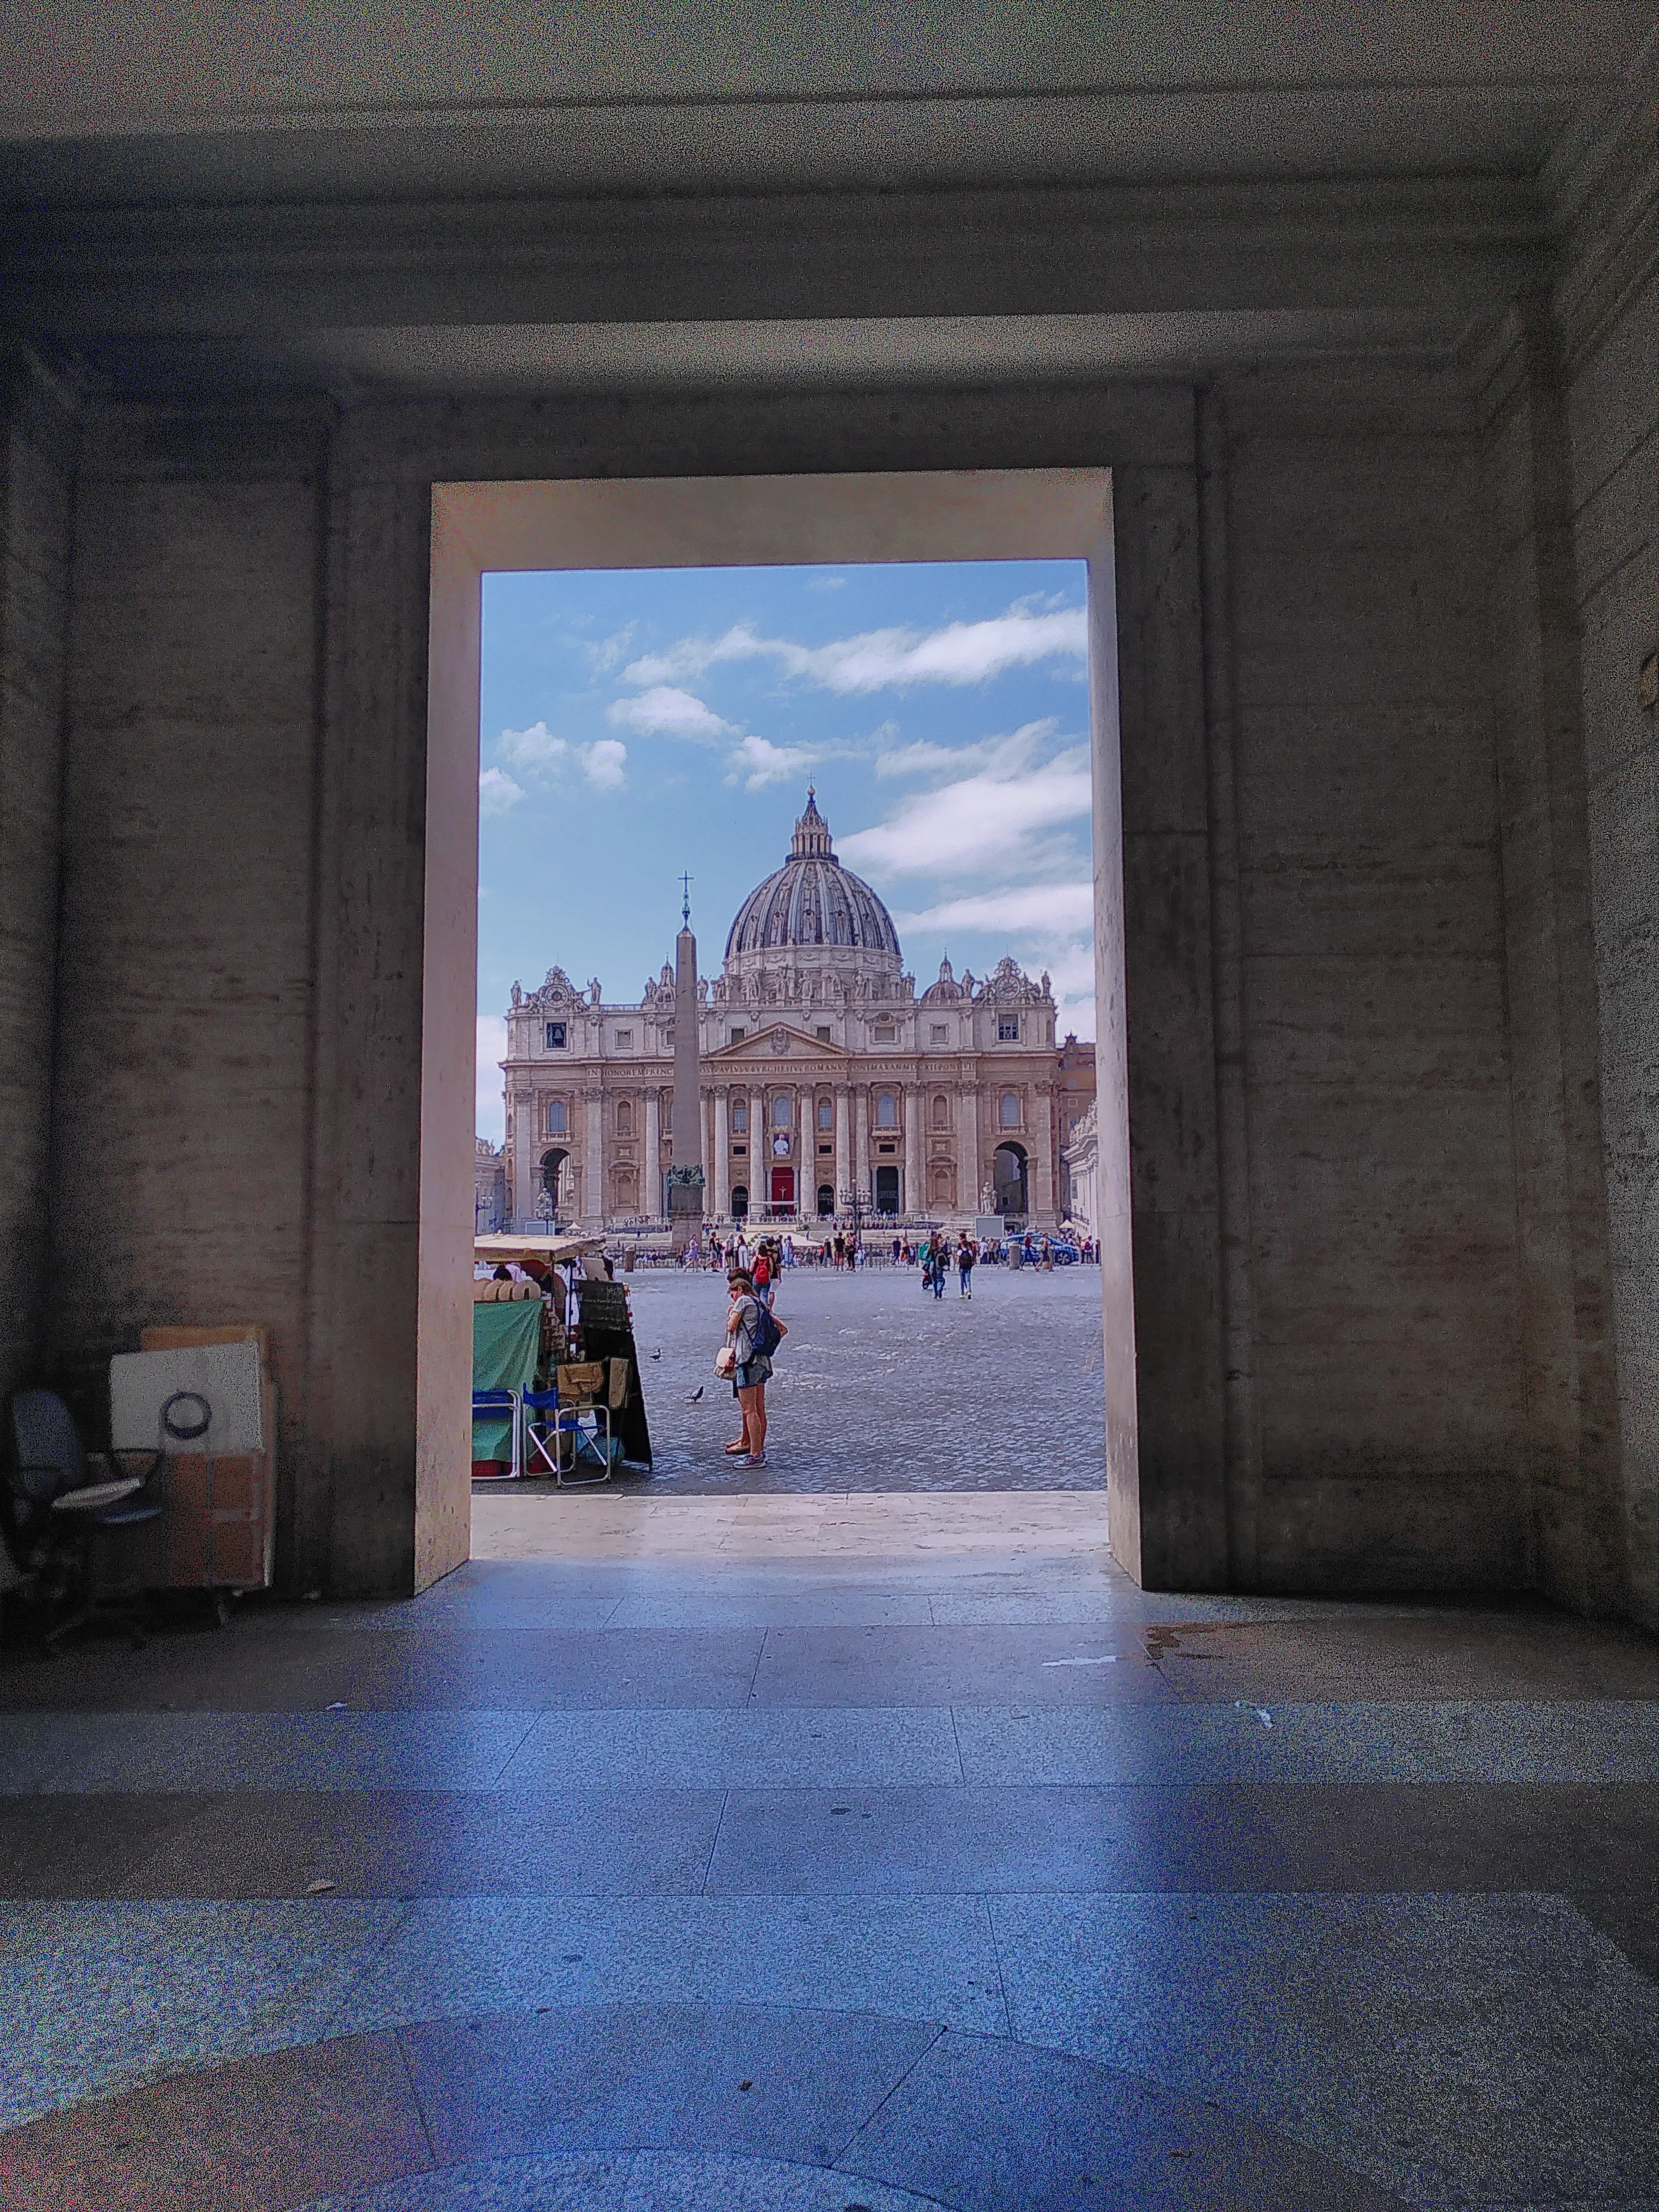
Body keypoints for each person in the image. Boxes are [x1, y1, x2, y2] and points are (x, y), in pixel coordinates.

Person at [723, 1266, 783, 1468]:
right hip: (762, 1359)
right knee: (759, 1408)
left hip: (747, 1360)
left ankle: (755, 1455)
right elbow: (782, 1329)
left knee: (749, 1409)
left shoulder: (742, 1301)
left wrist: (732, 1314)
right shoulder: (760, 1302)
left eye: (732, 1291)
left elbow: (731, 1327)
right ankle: (759, 1449)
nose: (731, 1295)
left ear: (740, 1288)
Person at [957, 1233, 975, 1298]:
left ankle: (962, 1294)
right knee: (968, 1279)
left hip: (962, 1266)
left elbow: (958, 1257)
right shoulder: (969, 1244)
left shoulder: (960, 1245)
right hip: (968, 1266)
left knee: (962, 1280)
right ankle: (969, 1291)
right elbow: (972, 1256)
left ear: (961, 1238)